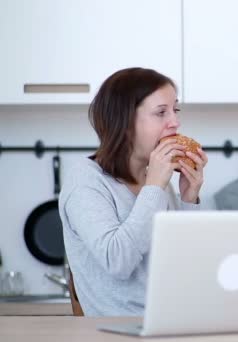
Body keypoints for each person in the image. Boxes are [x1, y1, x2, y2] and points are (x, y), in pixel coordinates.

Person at [59, 67, 208, 316]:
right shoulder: (85, 180)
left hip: (169, 323)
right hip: (114, 332)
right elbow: (117, 261)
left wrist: (188, 199)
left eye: (175, 110)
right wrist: (154, 188)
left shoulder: (161, 182)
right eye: (161, 112)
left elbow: (184, 269)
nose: (175, 122)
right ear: (125, 121)